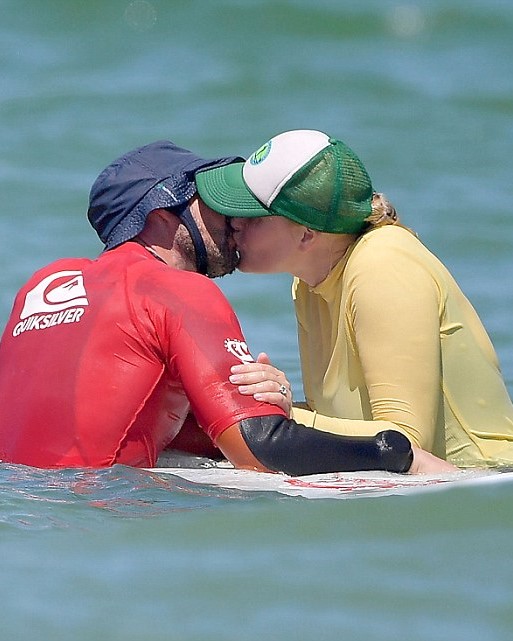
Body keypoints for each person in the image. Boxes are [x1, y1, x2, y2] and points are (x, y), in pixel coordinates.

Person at [0, 139, 448, 475]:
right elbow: (260, 448)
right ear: (161, 218)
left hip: (25, 507)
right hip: (104, 518)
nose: (235, 219)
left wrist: (268, 406)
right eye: (211, 204)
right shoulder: (175, 288)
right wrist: (395, 454)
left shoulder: (43, 283)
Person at [195, 129, 513, 468]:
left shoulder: (383, 264)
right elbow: (344, 422)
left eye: (252, 214)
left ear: (307, 234)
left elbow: (404, 442)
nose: (235, 223)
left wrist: (285, 416)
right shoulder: (309, 282)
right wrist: (263, 406)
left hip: (483, 478)